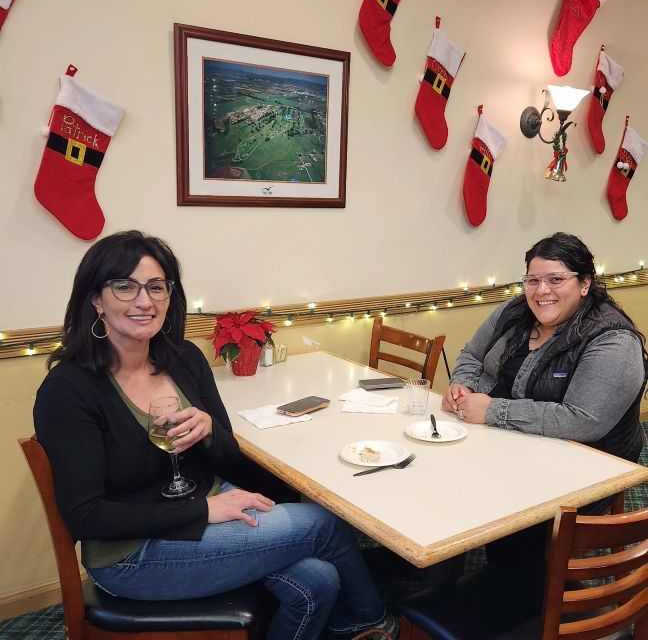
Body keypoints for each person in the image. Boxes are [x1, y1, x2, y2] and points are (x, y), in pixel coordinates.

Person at [34, 230, 392, 640]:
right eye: (125, 287)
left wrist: (209, 433)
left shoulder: (184, 358)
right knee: (322, 523)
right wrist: (204, 511)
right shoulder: (69, 389)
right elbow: (86, 517)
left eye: (156, 287)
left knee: (319, 580)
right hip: (133, 553)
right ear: (96, 299)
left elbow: (230, 457)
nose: (144, 301)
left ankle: (347, 624)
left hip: (204, 506)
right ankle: (374, 623)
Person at [442, 232, 647, 563]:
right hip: (508, 442)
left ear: (584, 284)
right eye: (533, 280)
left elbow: (582, 420)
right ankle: (441, 567)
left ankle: (516, 581)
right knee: (442, 477)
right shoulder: (515, 309)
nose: (541, 291)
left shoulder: (613, 340)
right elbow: (472, 355)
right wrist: (462, 386)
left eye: (556, 279)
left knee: (500, 511)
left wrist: (492, 410)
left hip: (585, 464)